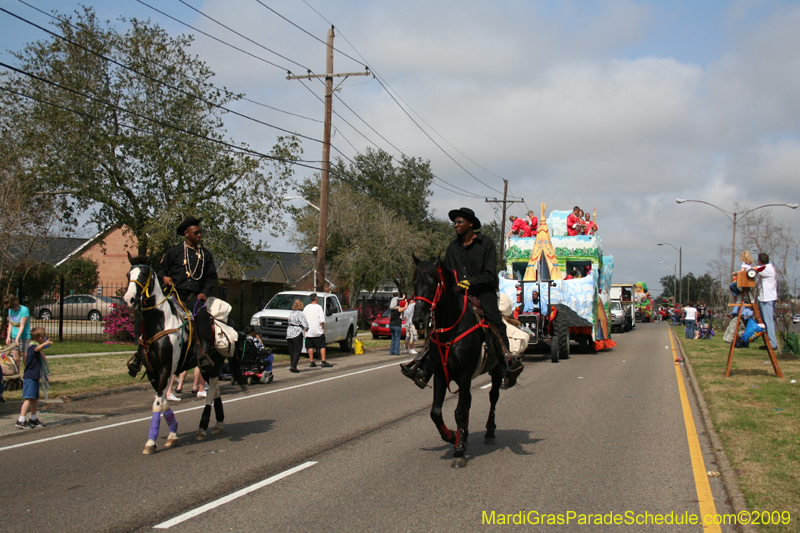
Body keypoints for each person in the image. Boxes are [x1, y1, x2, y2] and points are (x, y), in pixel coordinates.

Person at [401, 207, 523, 389]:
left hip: (483, 291)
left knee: (495, 320)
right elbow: (447, 274)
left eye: (459, 222)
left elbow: (490, 274)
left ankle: (507, 362)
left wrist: (471, 282)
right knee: (439, 324)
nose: (455, 225)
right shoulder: (452, 247)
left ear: (470, 223)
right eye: (454, 222)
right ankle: (424, 366)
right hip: (458, 293)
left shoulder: (486, 244)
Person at [127, 216, 218, 377]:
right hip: (173, 295)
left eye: (200, 232)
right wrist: (164, 277)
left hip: (194, 297)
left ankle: (203, 354)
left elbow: (212, 277)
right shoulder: (174, 252)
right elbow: (161, 269)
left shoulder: (205, 255)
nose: (199, 235)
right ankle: (139, 356)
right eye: (195, 233)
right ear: (186, 233)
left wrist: (205, 291)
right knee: (152, 317)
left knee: (202, 316)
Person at [16, 326, 51, 429]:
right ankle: (21, 420)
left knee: (34, 399)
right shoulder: (32, 347)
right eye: (45, 337)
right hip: (30, 378)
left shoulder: (35, 347)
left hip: (34, 377)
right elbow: (37, 349)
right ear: (40, 338)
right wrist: (44, 344)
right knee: (28, 398)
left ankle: (33, 418)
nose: (46, 338)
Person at [754, 253, 779, 351]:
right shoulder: (768, 268)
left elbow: (754, 269)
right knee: (764, 322)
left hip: (767, 299)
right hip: (766, 298)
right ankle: (768, 342)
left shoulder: (767, 268)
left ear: (760, 261)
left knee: (768, 322)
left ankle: (772, 343)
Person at [303, 293, 332, 367]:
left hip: (309, 331)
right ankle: (323, 361)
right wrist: (323, 328)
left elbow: (304, 318)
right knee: (322, 346)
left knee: (310, 346)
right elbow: (322, 320)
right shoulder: (319, 307)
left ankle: (311, 361)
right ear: (316, 299)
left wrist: (304, 329)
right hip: (317, 330)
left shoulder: (306, 307)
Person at [3, 294, 31, 368]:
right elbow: (10, 324)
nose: (10, 308)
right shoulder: (10, 310)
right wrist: (8, 337)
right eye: (8, 307)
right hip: (14, 337)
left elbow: (22, 326)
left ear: (15, 303)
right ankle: (17, 375)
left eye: (10, 306)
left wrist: (17, 338)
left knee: (26, 360)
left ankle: (28, 374)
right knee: (15, 360)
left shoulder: (24, 310)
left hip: (25, 337)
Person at [286, 299, 308, 373]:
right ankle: (293, 366)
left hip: (289, 332)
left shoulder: (291, 313)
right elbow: (305, 324)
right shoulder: (300, 314)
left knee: (291, 350)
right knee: (297, 349)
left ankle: (292, 364)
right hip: (297, 332)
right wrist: (306, 329)